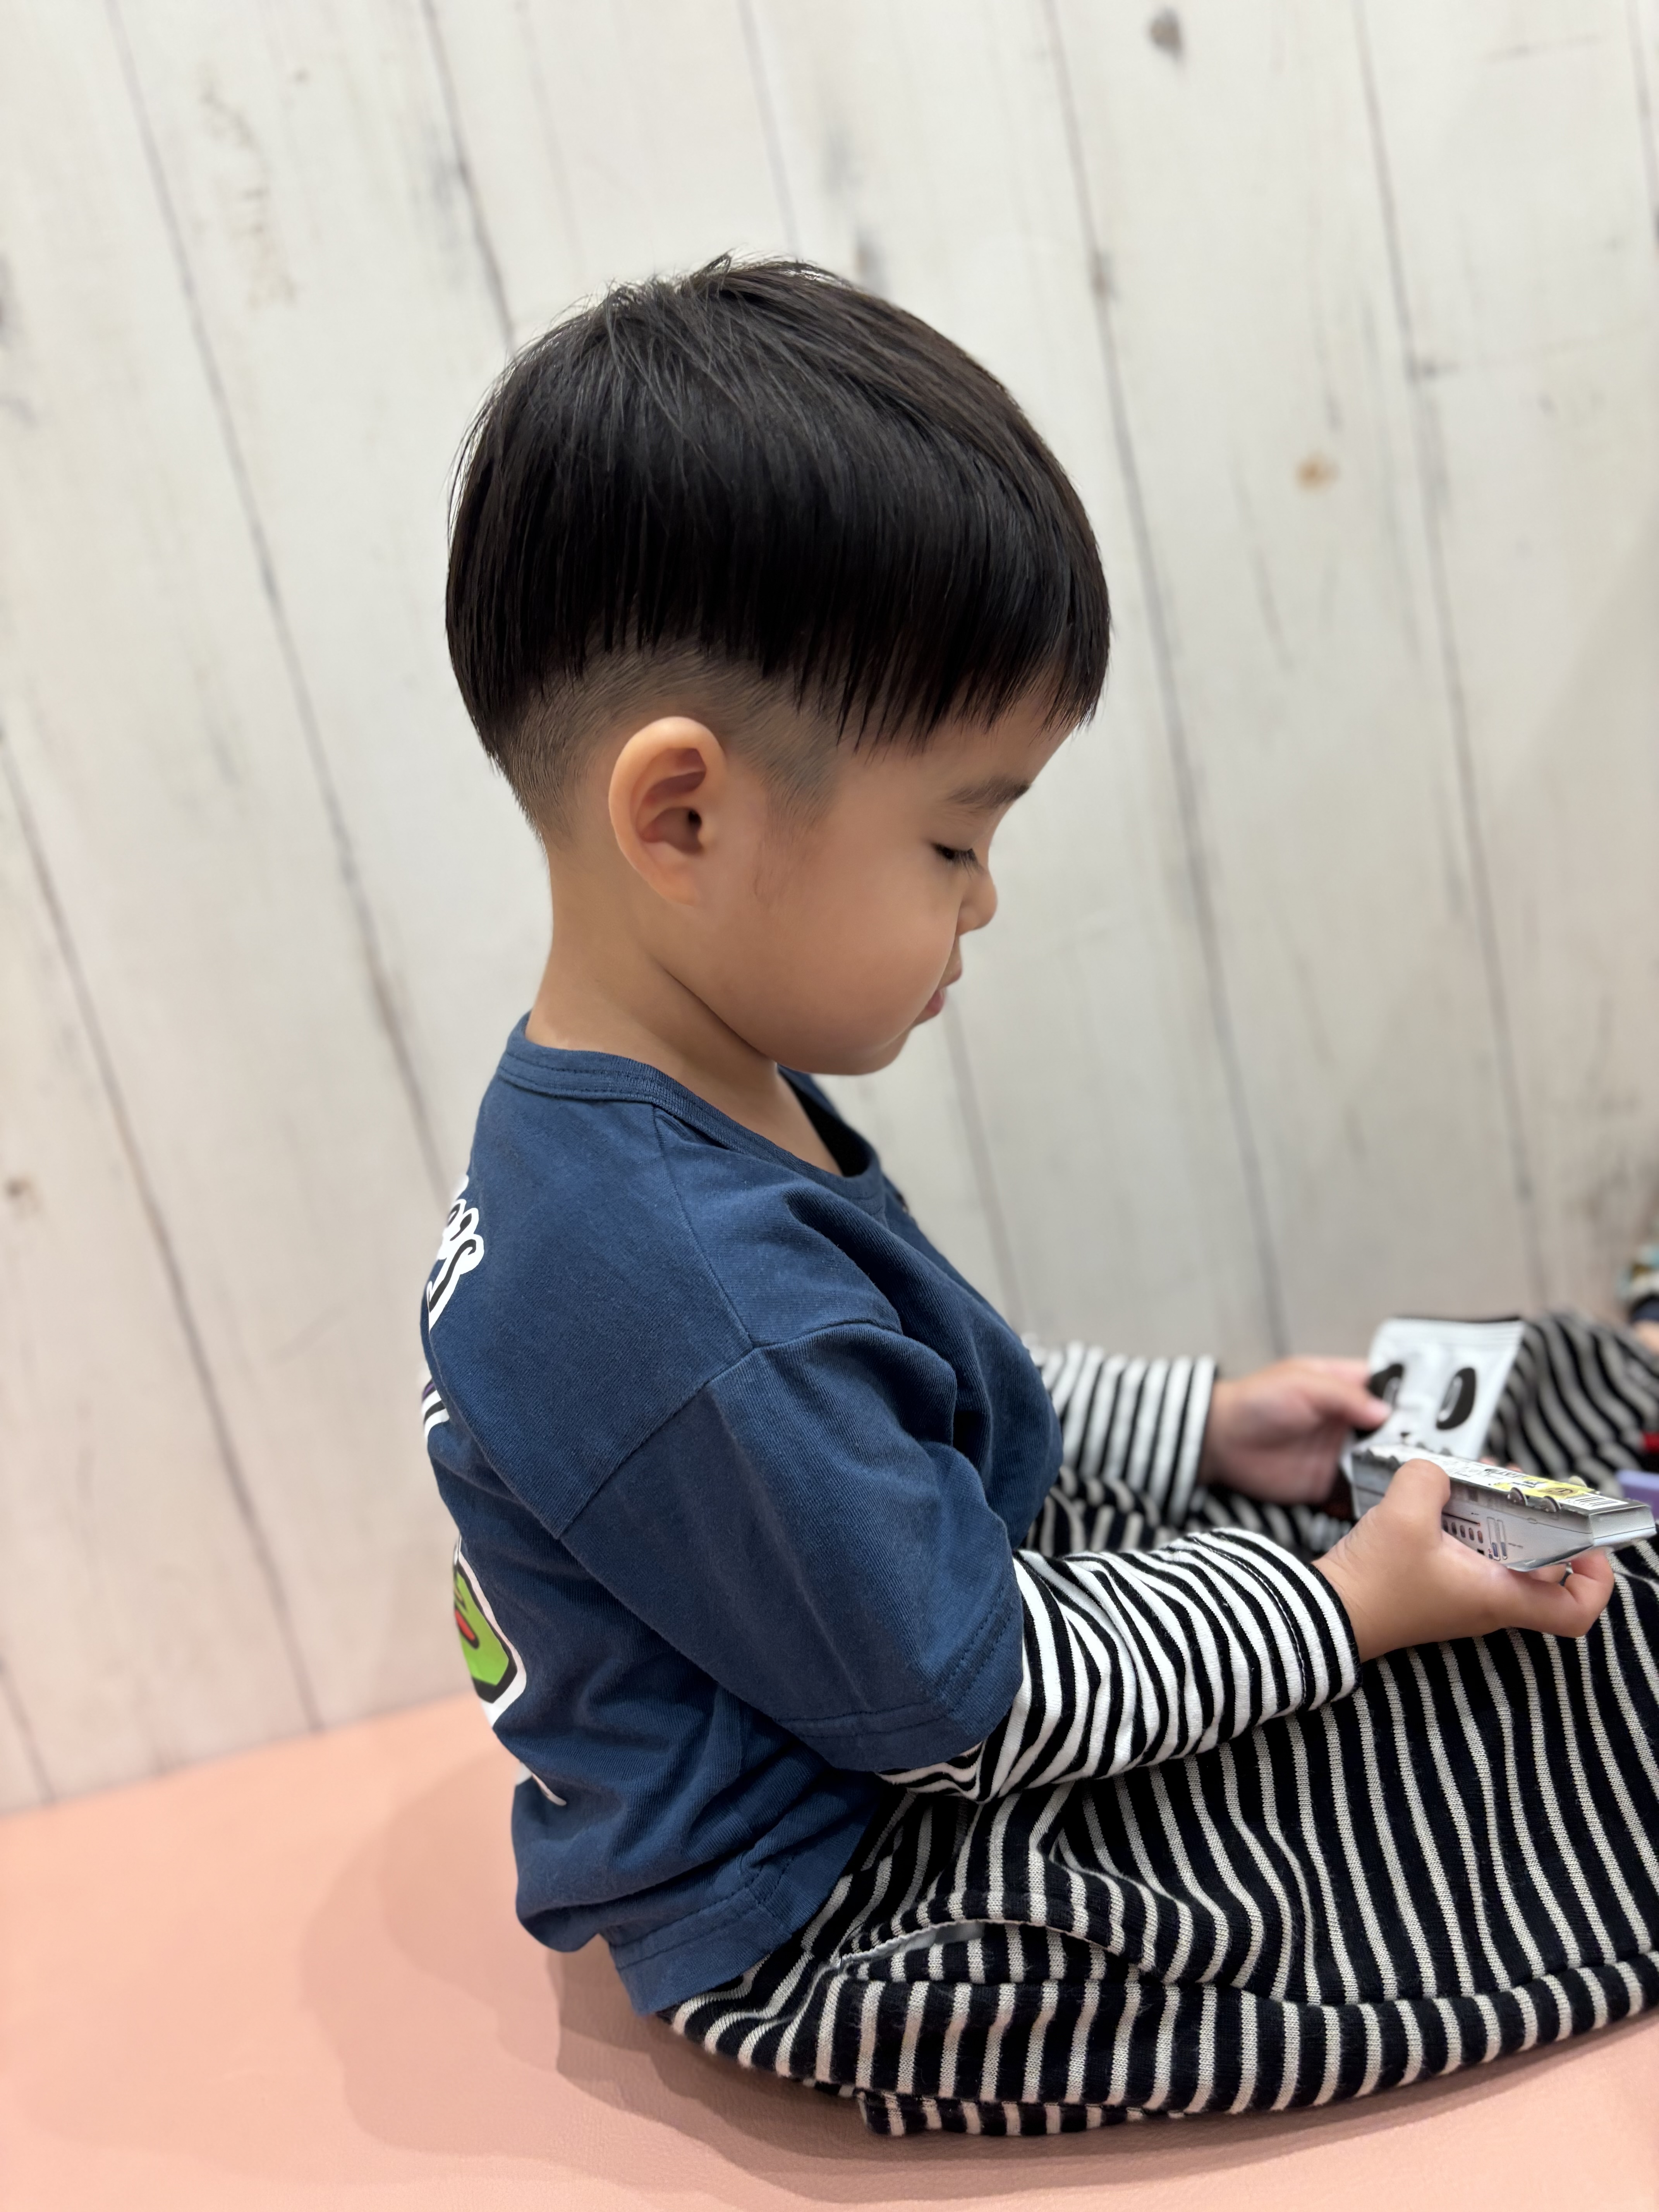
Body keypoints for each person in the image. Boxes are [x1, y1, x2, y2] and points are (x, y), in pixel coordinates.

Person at [422, 258, 1659, 2135]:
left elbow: (892, 1395)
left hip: (904, 1670)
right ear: (683, 815)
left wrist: (1201, 1424)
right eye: (954, 839)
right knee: (1568, 1707)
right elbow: (974, 1698)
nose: (985, 902)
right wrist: (1342, 1611)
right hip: (868, 1900)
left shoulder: (666, 1102)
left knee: (1505, 1428)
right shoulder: (683, 1288)